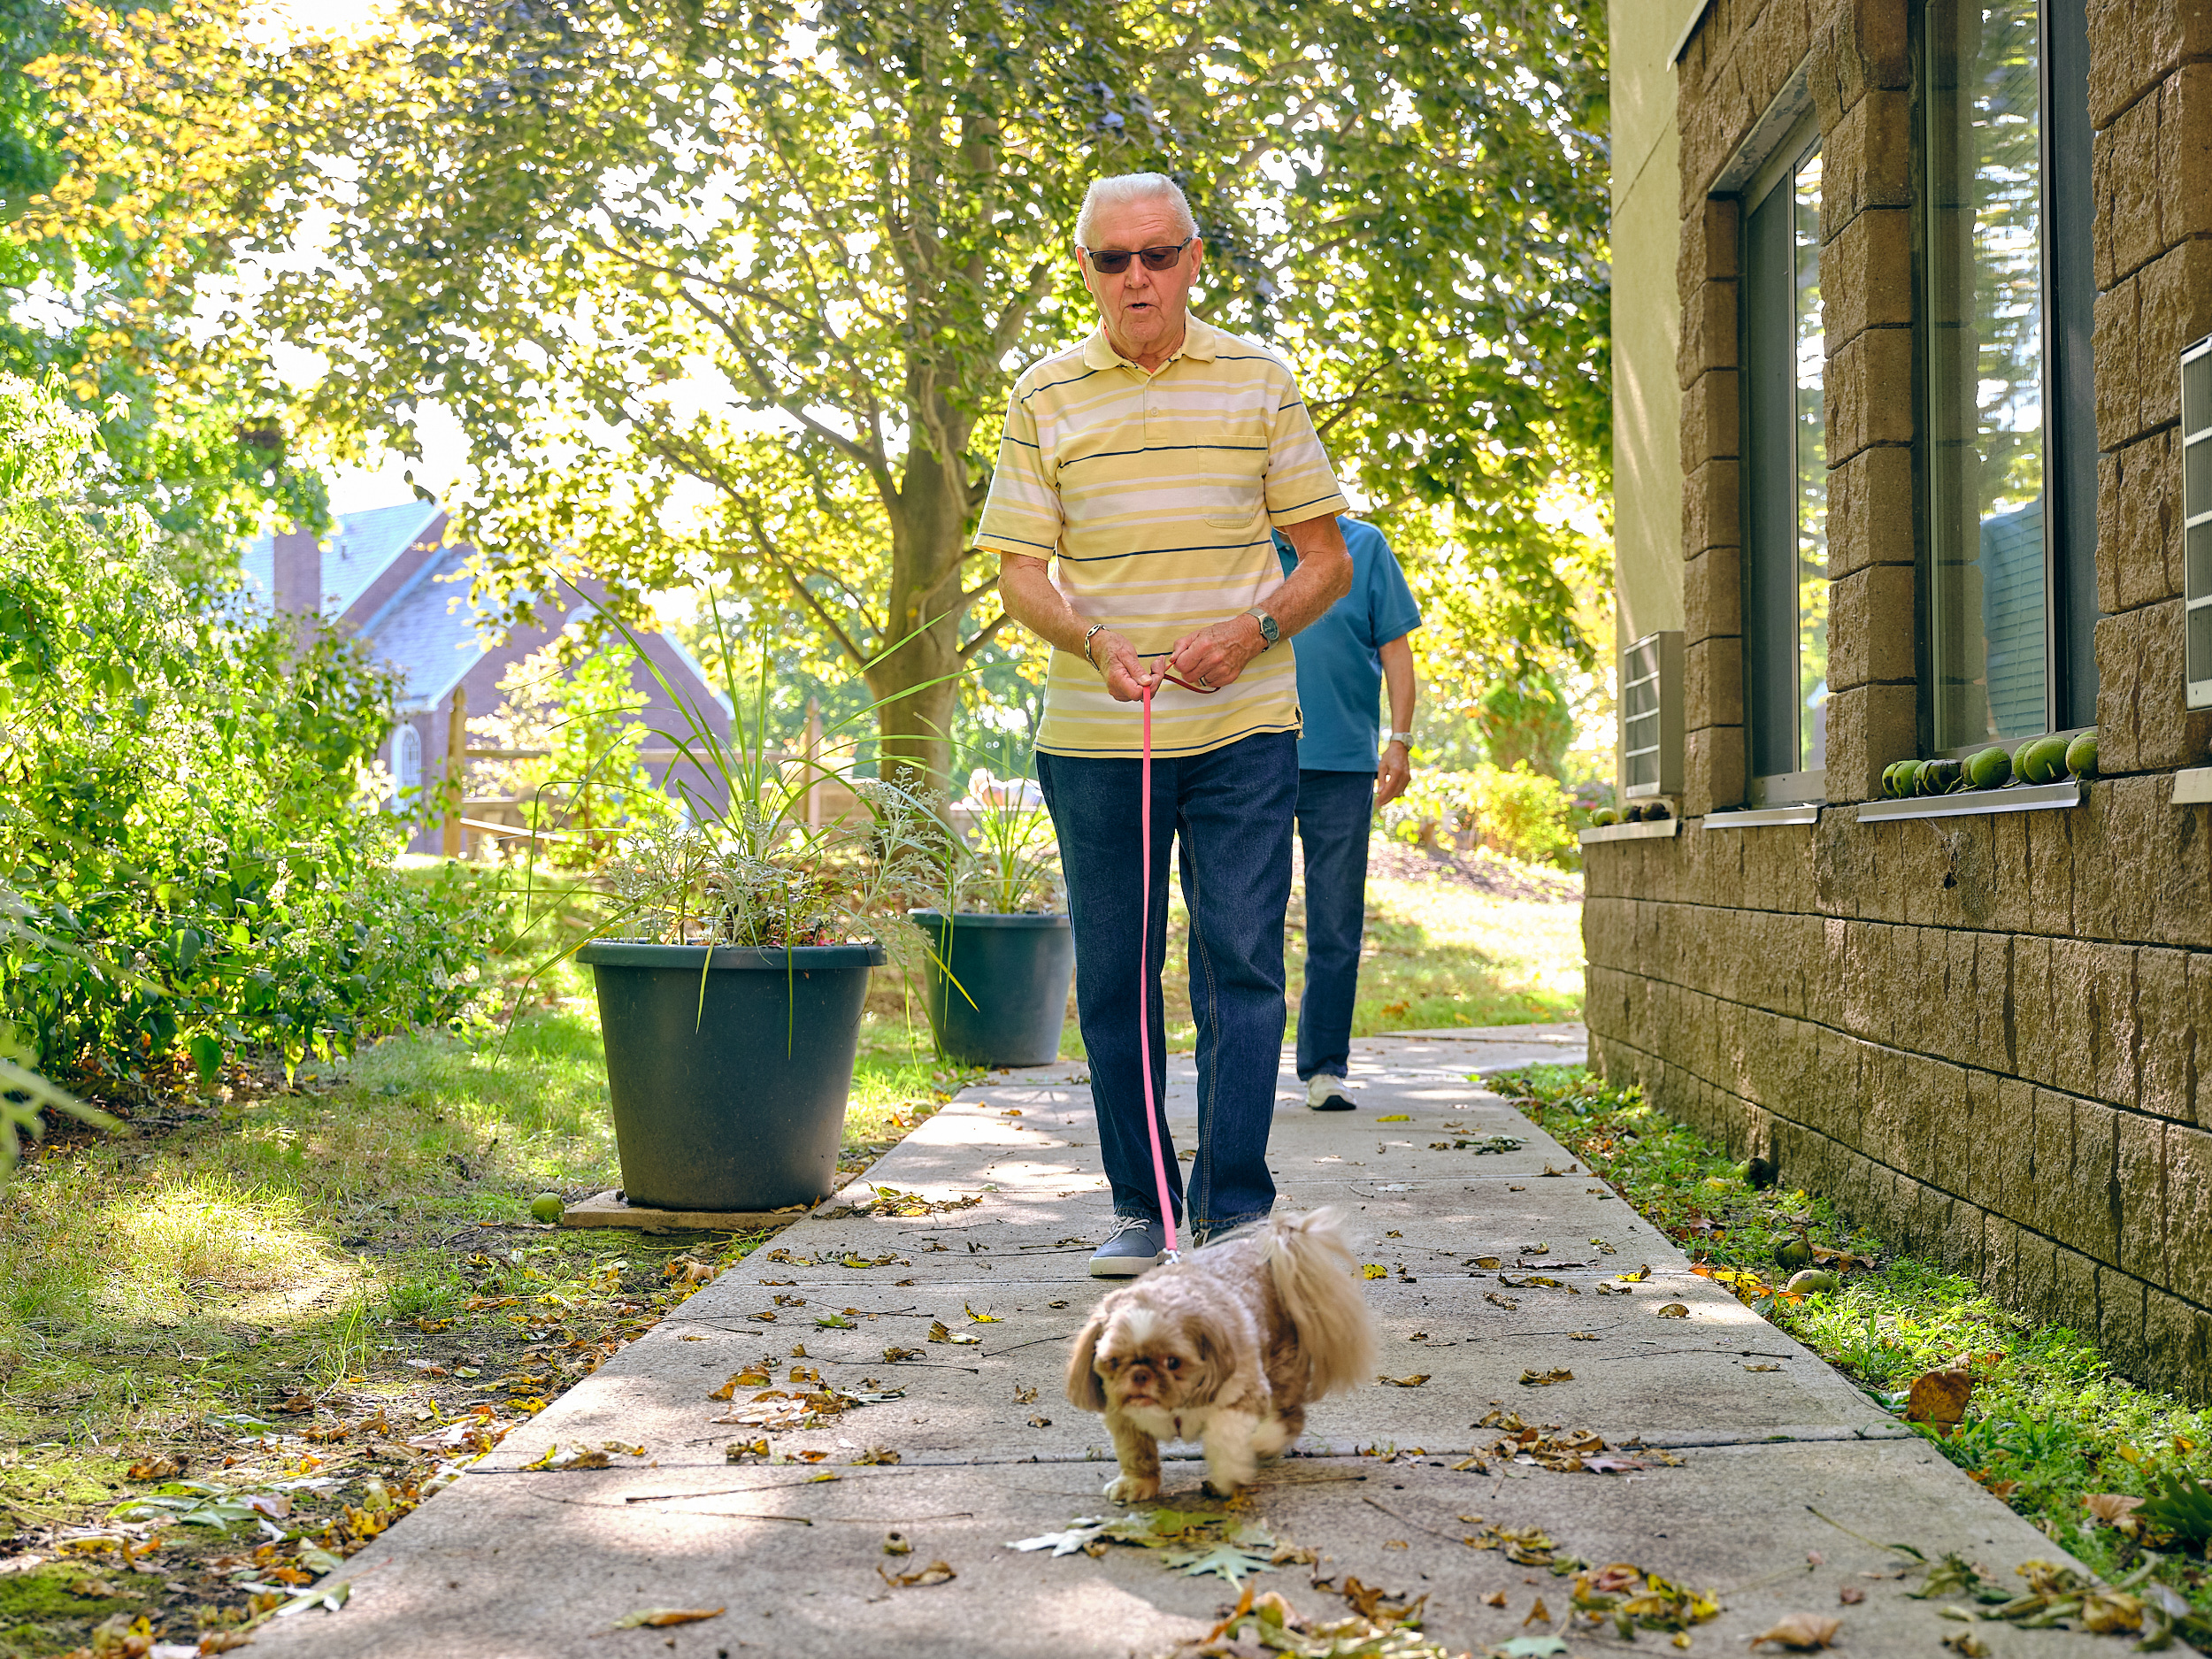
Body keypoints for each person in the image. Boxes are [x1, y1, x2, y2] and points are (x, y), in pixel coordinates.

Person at [979, 171, 1354, 1277]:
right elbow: (1019, 575)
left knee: (1239, 960)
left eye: (1156, 254)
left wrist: (1247, 634)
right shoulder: (1044, 395)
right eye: (1111, 259)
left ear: (1194, 259)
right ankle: (1143, 1208)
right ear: (1087, 268)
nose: (1135, 277)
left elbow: (1324, 561)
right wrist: (1090, 642)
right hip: (1100, 737)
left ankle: (1234, 1205)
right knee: (1113, 975)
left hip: (1245, 725)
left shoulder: (1260, 380)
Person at [1273, 518, 1420, 1110]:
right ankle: (1243, 1065)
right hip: (1253, 760)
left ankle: (1325, 1067)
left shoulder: (1363, 545)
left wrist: (1401, 739)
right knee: (1247, 923)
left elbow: (1396, 646)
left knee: (1335, 924)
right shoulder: (1242, 537)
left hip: (1342, 767)